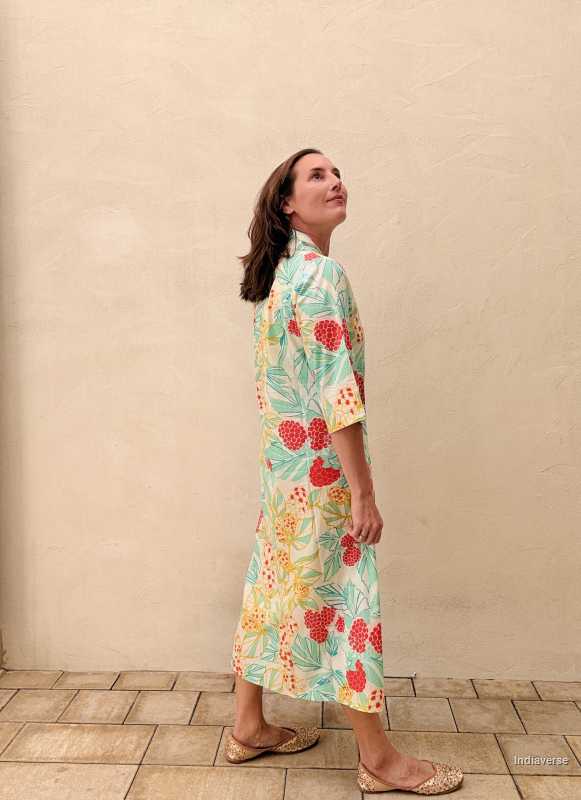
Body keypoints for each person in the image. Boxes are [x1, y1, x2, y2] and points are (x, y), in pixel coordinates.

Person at [227, 149, 463, 795]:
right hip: (321, 477)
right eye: (316, 175)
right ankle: (378, 758)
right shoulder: (321, 276)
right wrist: (363, 491)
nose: (335, 182)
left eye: (336, 173)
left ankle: (247, 725)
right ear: (286, 202)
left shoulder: (276, 277)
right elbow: (338, 395)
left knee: (270, 588)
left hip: (282, 472)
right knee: (348, 603)